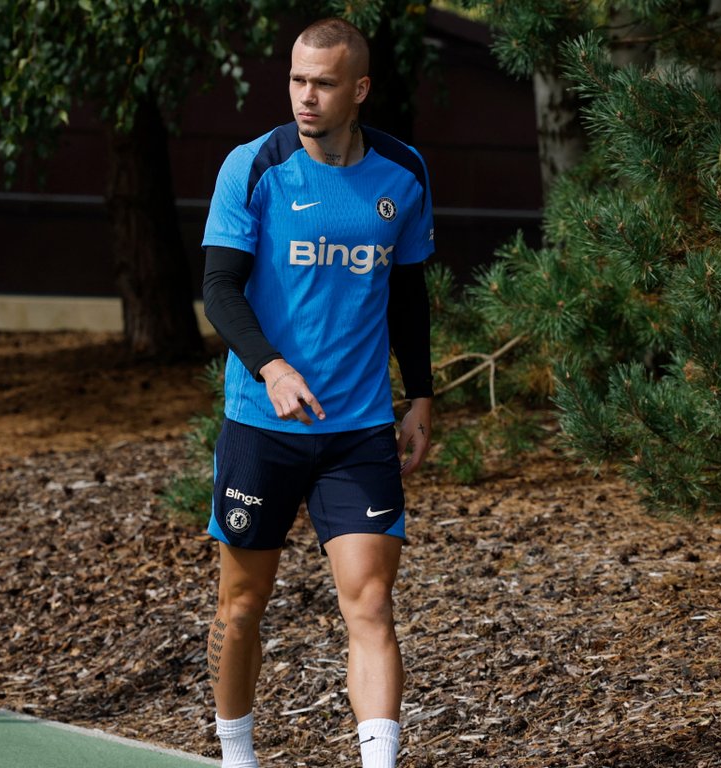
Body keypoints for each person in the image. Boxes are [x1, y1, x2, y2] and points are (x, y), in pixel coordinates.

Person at [200, 18, 435, 768]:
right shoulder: (254, 166)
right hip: (260, 426)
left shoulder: (403, 173)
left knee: (370, 603)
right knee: (242, 607)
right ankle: (237, 754)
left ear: (359, 89)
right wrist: (271, 367)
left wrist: (421, 395)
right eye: (298, 80)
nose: (306, 95)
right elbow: (219, 289)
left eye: (324, 83)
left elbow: (408, 295)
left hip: (357, 429)